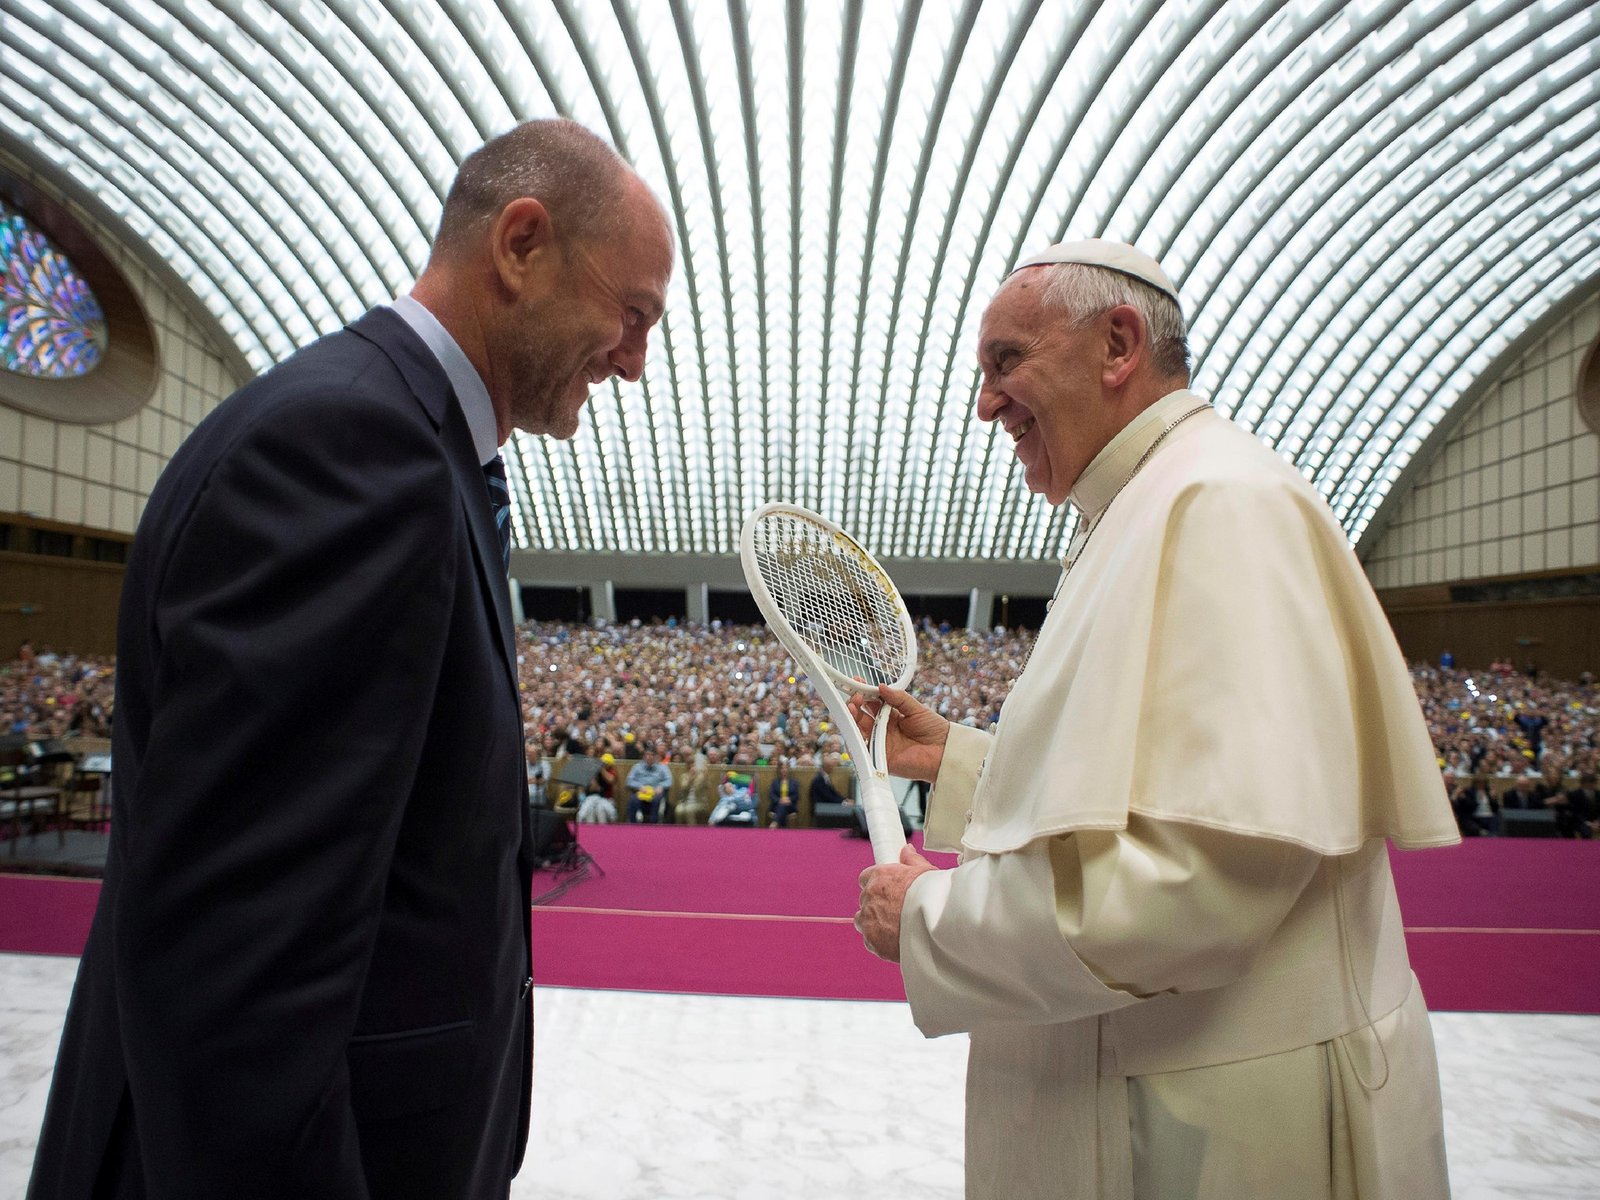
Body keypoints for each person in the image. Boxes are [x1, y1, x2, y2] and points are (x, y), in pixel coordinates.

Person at [29, 118, 673, 1200]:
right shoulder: (352, 453)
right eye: (632, 313)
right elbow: (238, 980)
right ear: (521, 246)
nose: (636, 362)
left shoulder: (398, 440)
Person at [851, 239, 1460, 1199]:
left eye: (1007, 362)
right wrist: (960, 765)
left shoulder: (1218, 503)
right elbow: (1146, 780)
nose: (985, 404)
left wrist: (931, 918)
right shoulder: (1146, 502)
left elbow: (1192, 884)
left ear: (1118, 343)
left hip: (1227, 1133)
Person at [625, 745, 673, 823]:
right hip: (641, 792)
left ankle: (653, 825)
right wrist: (639, 787)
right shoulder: (637, 767)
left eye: (651, 755)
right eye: (646, 754)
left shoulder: (662, 767)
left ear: (656, 756)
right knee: (633, 799)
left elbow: (669, 780)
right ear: (644, 756)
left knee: (657, 800)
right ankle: (632, 825)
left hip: (655, 792)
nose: (649, 757)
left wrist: (661, 786)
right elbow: (629, 781)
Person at [768, 759, 799, 827]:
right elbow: (771, 794)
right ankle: (782, 828)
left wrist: (789, 799)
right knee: (782, 806)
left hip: (790, 805)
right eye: (782, 768)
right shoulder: (775, 782)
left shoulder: (794, 782)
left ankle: (775, 823)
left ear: (788, 769)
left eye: (786, 768)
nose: (784, 770)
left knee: (783, 805)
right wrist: (779, 800)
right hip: (776, 805)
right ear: (780, 770)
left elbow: (796, 795)